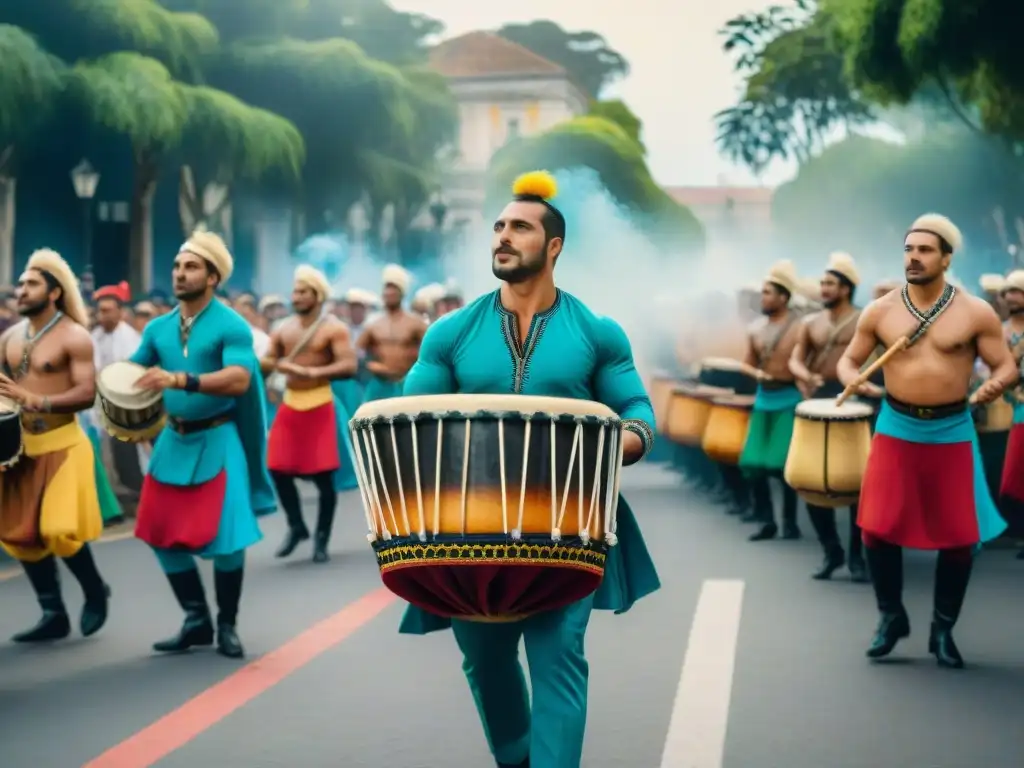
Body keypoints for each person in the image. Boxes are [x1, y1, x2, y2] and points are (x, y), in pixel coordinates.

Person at [397, 171, 660, 768]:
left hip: (570, 525)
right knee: (484, 661)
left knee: (559, 656)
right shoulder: (449, 333)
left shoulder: (597, 332)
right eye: (498, 226)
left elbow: (638, 411)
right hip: (469, 528)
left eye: (519, 227)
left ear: (554, 245)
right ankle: (516, 757)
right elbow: (412, 417)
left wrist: (622, 443)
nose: (503, 236)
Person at [837, 213, 1016, 668]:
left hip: (952, 428)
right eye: (909, 249)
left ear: (946, 258)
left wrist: (994, 385)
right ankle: (891, 616)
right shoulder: (880, 311)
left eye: (924, 250)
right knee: (876, 528)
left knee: (959, 536)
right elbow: (849, 361)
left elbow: (1005, 366)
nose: (913, 258)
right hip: (896, 426)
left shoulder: (976, 312)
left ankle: (943, 628)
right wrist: (853, 378)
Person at [131, 228, 276, 659]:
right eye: (177, 266)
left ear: (213, 277)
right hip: (172, 440)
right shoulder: (157, 329)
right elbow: (129, 376)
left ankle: (227, 624)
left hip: (220, 437)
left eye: (191, 266)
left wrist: (180, 379)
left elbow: (239, 379)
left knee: (228, 537)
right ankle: (196, 618)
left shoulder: (231, 325)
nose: (180, 273)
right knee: (156, 530)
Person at [0, 249, 111, 643]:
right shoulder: (9, 338)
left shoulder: (74, 336)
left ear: (54, 292)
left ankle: (95, 590)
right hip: (20, 449)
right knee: (17, 535)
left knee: (57, 530)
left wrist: (37, 400)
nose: (21, 290)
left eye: (31, 284)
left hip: (64, 444)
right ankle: (53, 613)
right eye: (20, 284)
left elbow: (86, 393)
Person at [262, 265, 358, 563]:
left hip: (320, 404)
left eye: (303, 291)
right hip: (291, 404)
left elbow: (349, 366)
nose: (297, 296)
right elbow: (268, 360)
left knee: (323, 478)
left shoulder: (334, 328)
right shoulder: (283, 328)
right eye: (295, 291)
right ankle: (297, 526)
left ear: (317, 296)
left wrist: (309, 372)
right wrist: (262, 364)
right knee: (277, 468)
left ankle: (321, 538)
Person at [788, 253, 872, 582]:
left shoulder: (866, 319)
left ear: (846, 288)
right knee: (813, 480)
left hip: (856, 403)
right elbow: (796, 359)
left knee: (858, 483)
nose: (824, 288)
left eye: (830, 283)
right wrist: (804, 375)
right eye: (822, 283)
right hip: (819, 401)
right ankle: (831, 550)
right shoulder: (810, 323)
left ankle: (857, 556)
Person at [739, 260, 803, 540]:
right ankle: (767, 521)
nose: (762, 298)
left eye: (767, 293)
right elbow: (746, 364)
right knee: (753, 462)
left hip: (789, 398)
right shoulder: (755, 329)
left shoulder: (800, 328)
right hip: (763, 399)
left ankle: (789, 522)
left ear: (783, 297)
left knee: (782, 463)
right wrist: (757, 374)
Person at [357, 264, 426, 402]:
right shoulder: (373, 324)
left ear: (402, 292)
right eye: (387, 288)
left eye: (394, 288)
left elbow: (430, 351)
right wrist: (370, 365)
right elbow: (358, 352)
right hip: (379, 384)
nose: (389, 292)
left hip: (406, 382)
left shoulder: (416, 323)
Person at [997, 270, 1024, 550]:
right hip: (1010, 407)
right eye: (1008, 293)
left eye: (1017, 291)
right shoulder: (999, 331)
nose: (1011, 297)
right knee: (1013, 477)